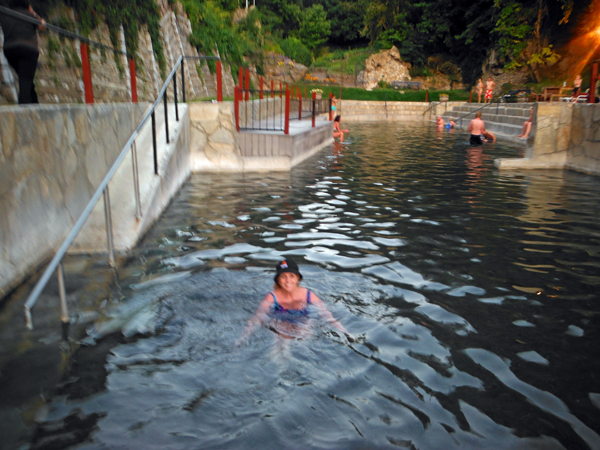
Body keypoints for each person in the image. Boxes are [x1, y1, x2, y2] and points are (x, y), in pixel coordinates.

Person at [238, 258, 352, 343]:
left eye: (291, 276)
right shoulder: (272, 297)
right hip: (281, 323)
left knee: (307, 338)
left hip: (303, 320)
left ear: (298, 278)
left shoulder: (308, 294)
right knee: (281, 347)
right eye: (283, 277)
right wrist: (243, 338)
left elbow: (326, 314)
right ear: (278, 280)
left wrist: (345, 332)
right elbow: (257, 319)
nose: (288, 281)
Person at [0, 0, 45, 104]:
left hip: (10, 51)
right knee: (25, 80)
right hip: (28, 50)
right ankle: (24, 110)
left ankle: (35, 105)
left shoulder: (6, 14)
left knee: (27, 79)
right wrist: (32, 11)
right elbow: (43, 26)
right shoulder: (28, 14)